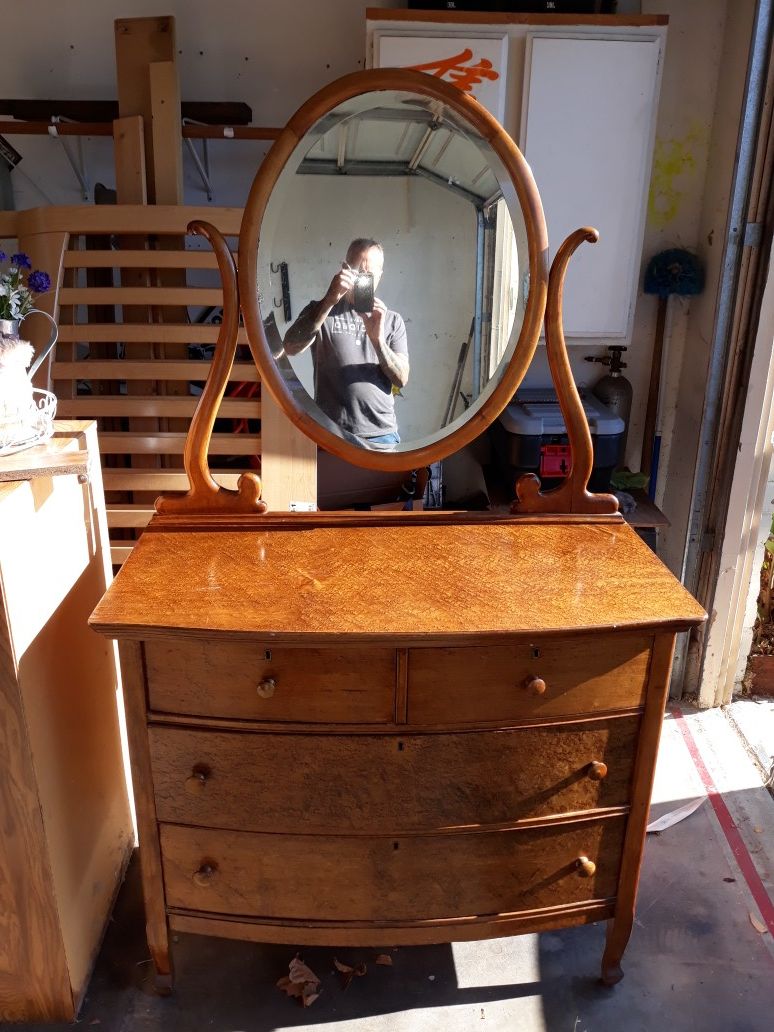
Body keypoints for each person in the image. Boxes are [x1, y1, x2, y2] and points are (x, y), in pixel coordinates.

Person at [283, 238, 409, 447]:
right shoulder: (320, 310)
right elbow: (290, 347)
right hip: (330, 432)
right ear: (344, 269)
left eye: (369, 274)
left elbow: (401, 379)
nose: (362, 279)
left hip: (381, 434)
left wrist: (378, 341)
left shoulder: (391, 319)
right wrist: (330, 299)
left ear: (380, 276)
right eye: (356, 271)